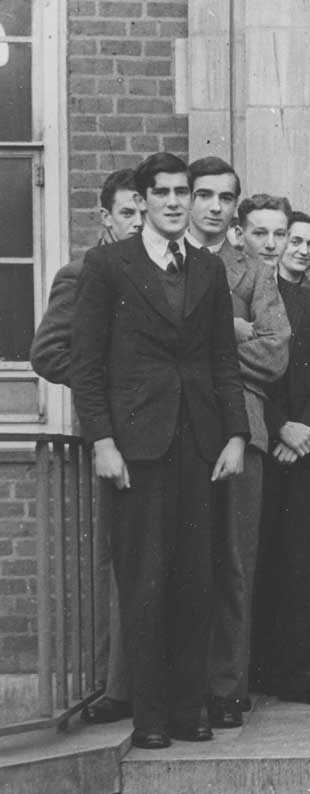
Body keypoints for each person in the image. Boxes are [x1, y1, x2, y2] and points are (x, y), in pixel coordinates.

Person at [71, 152, 249, 749]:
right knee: (144, 581)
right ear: (143, 200)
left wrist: (235, 435)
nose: (176, 202)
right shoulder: (107, 266)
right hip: (135, 448)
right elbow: (86, 364)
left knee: (196, 579)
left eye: (185, 192)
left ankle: (187, 709)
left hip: (199, 445)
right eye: (165, 192)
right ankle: (149, 718)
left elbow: (224, 359)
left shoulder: (207, 269)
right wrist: (102, 440)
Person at [30, 168, 142, 725]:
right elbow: (47, 353)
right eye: (128, 213)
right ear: (105, 217)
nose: (139, 223)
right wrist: (106, 387)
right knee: (112, 562)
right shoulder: (81, 274)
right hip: (107, 438)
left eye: (145, 213)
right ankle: (111, 684)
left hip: (152, 435)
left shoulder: (154, 274)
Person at [186, 157, 291, 729]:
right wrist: (230, 328)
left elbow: (276, 352)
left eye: (226, 198)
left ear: (235, 208)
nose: (213, 206)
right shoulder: (162, 261)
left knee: (234, 562)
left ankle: (227, 686)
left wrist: (209, 346)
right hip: (179, 429)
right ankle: (180, 684)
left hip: (242, 428)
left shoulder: (251, 269)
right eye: (204, 195)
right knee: (180, 559)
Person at [239, 201, 310, 706]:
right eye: (280, 237)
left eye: (299, 241)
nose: (288, 247)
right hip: (261, 439)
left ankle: (304, 676)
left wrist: (306, 430)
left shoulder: (309, 304)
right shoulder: (244, 296)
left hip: (303, 451)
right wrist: (279, 428)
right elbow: (250, 371)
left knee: (303, 562)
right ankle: (255, 672)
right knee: (255, 560)